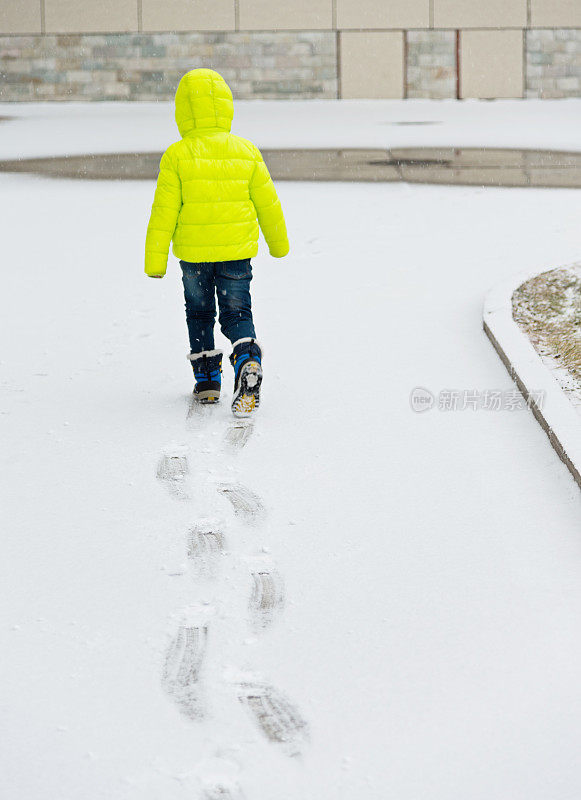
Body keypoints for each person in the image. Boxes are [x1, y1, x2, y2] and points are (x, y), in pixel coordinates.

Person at [145, 68, 289, 416]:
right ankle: (248, 359)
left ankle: (208, 381)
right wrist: (278, 242)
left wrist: (155, 259)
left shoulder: (177, 155)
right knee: (237, 311)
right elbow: (268, 202)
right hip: (236, 251)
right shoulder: (246, 151)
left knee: (199, 313)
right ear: (226, 108)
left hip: (194, 255)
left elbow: (164, 211)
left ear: (182, 110)